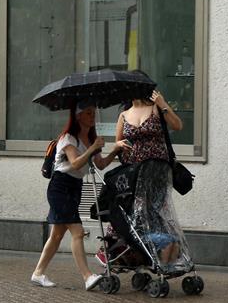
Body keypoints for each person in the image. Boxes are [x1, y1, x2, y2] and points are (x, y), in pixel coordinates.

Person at [31, 103, 128, 290]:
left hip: (75, 187)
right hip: (60, 186)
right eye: (88, 113)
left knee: (57, 234)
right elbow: (75, 163)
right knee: (77, 231)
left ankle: (38, 273)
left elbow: (100, 164)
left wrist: (115, 149)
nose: (92, 116)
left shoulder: (91, 138)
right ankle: (87, 276)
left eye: (94, 113)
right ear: (78, 116)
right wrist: (92, 149)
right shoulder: (68, 138)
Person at [113, 81, 186, 265]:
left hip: (156, 171)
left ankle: (167, 255)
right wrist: (119, 145)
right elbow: (118, 143)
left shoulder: (155, 108)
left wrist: (163, 104)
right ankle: (142, 256)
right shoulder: (124, 115)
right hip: (134, 172)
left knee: (156, 212)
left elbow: (178, 126)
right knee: (136, 214)